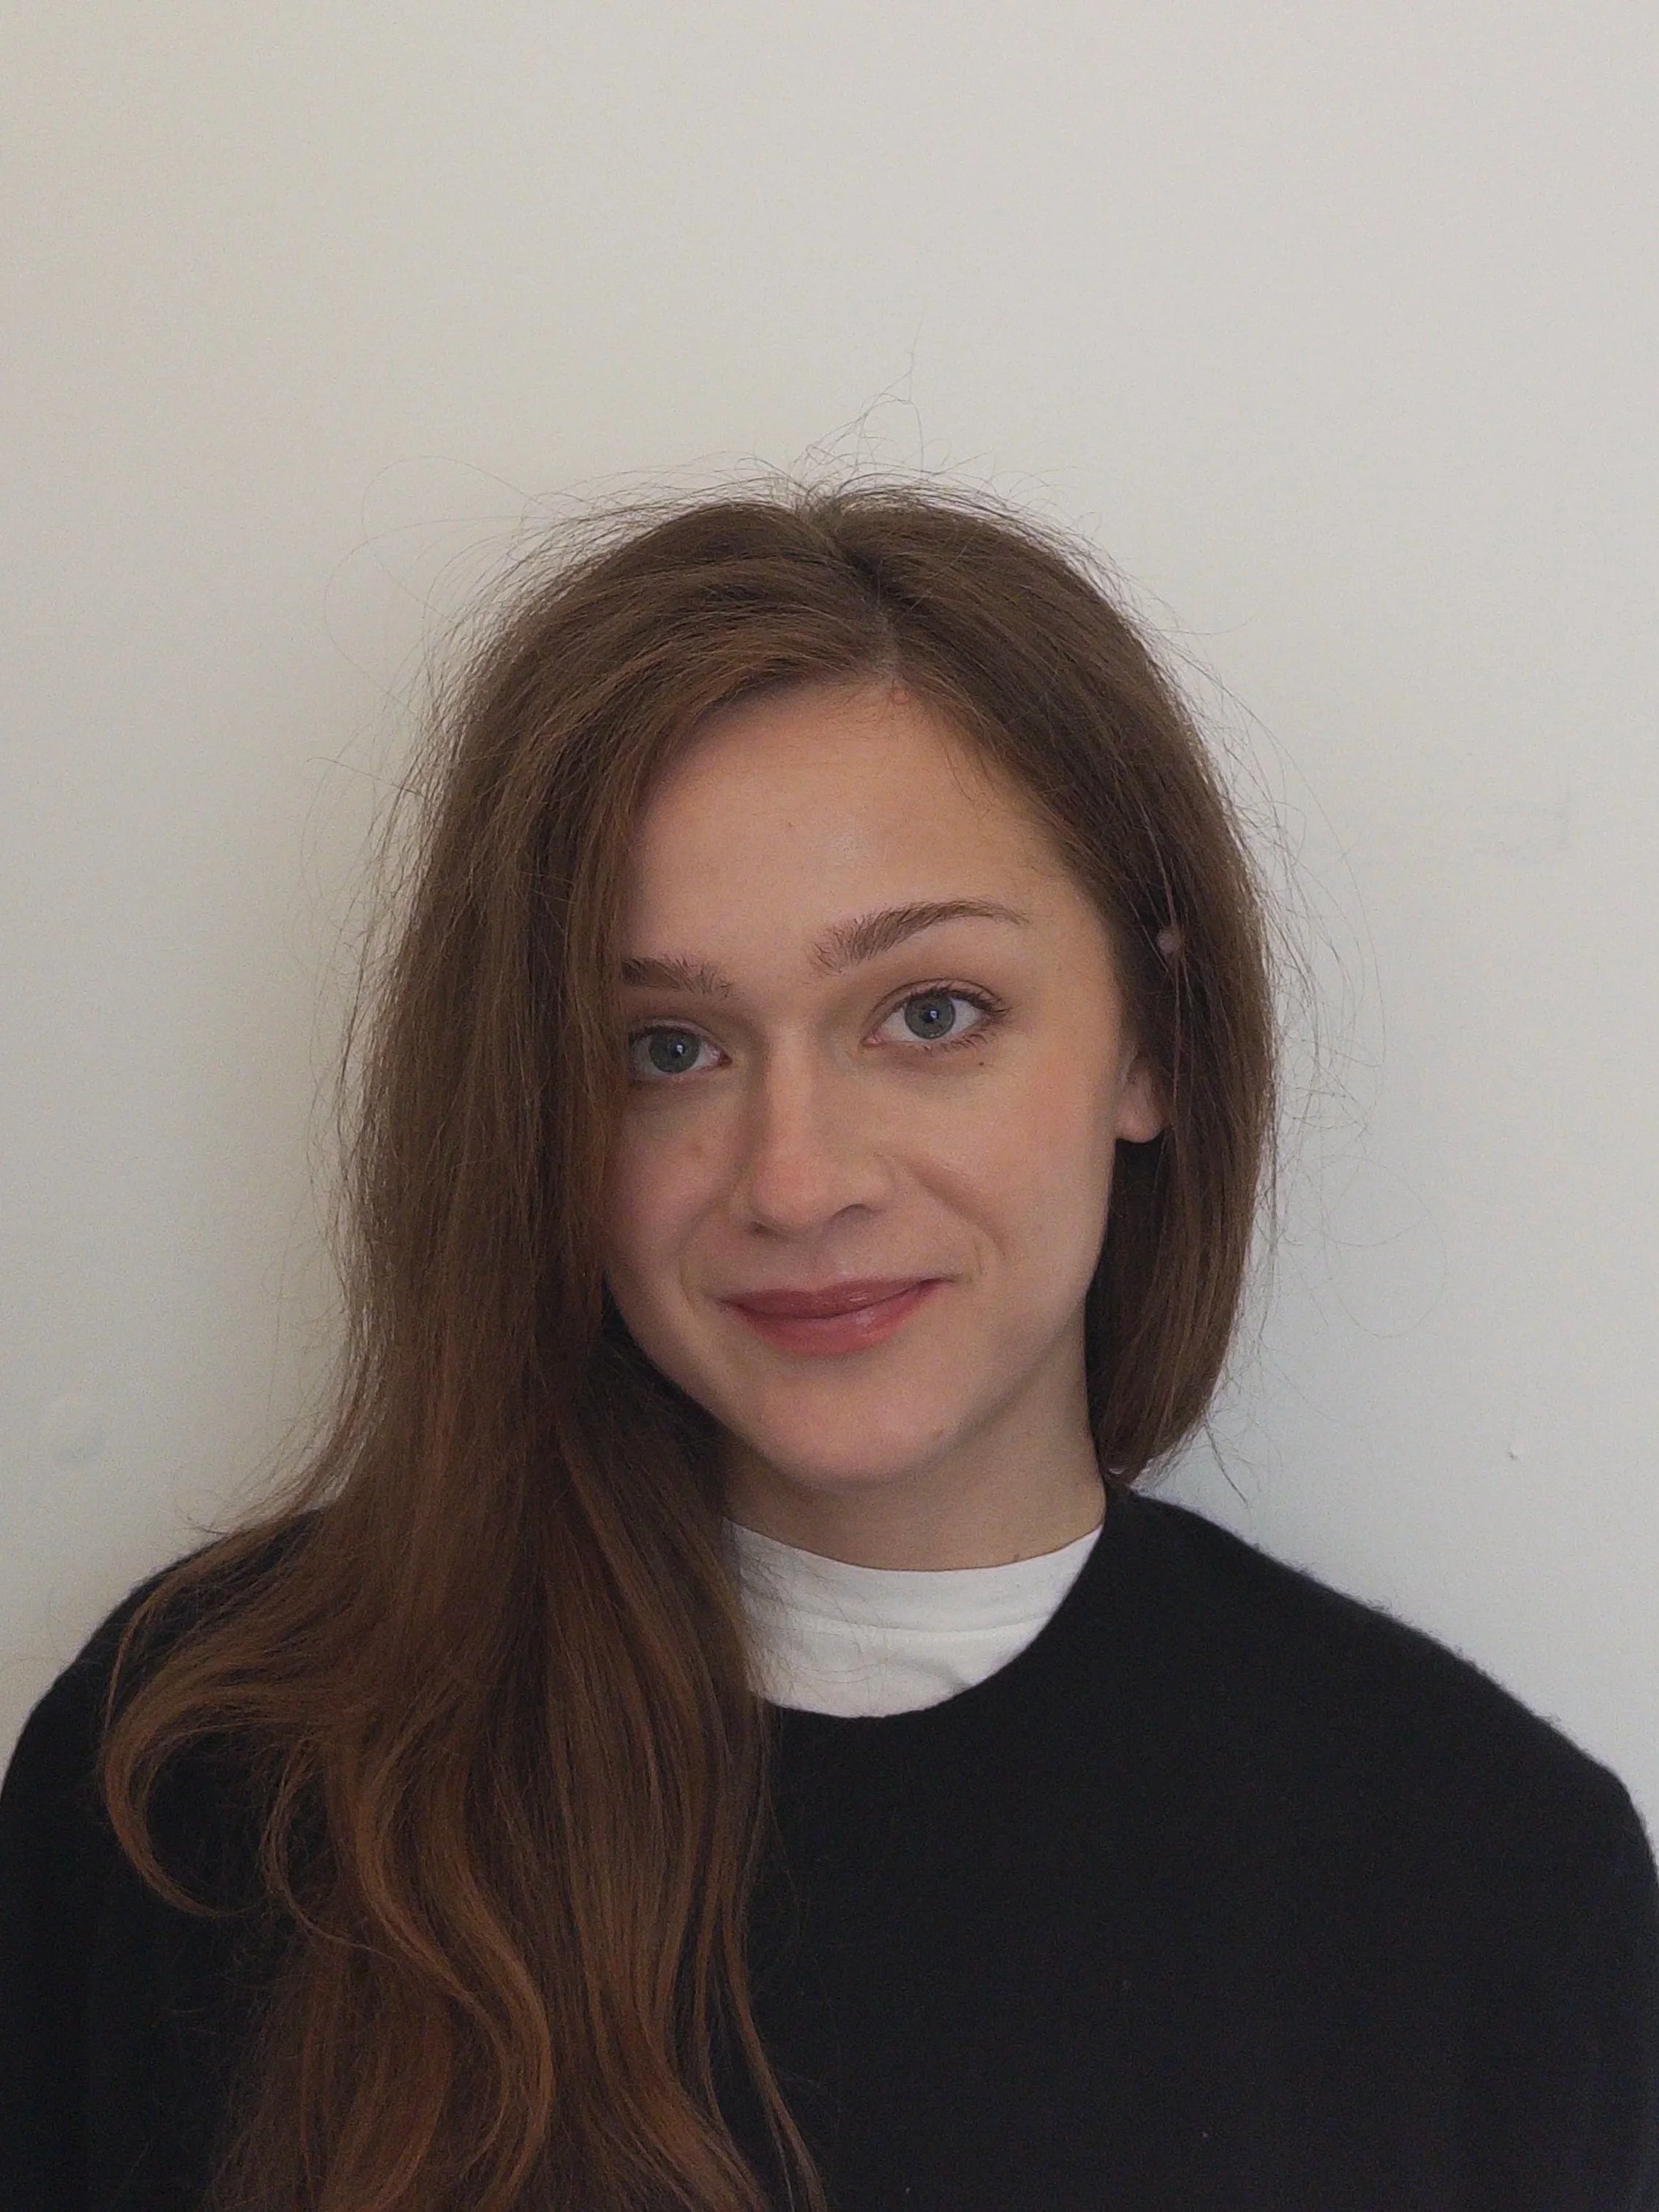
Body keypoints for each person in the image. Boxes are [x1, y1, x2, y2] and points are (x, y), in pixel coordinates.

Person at [1, 482, 1655, 2212]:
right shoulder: (202, 1786)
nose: (795, 1180)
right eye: (665, 1047)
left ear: (1151, 1041)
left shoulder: (1490, 1887)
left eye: (930, 1013)